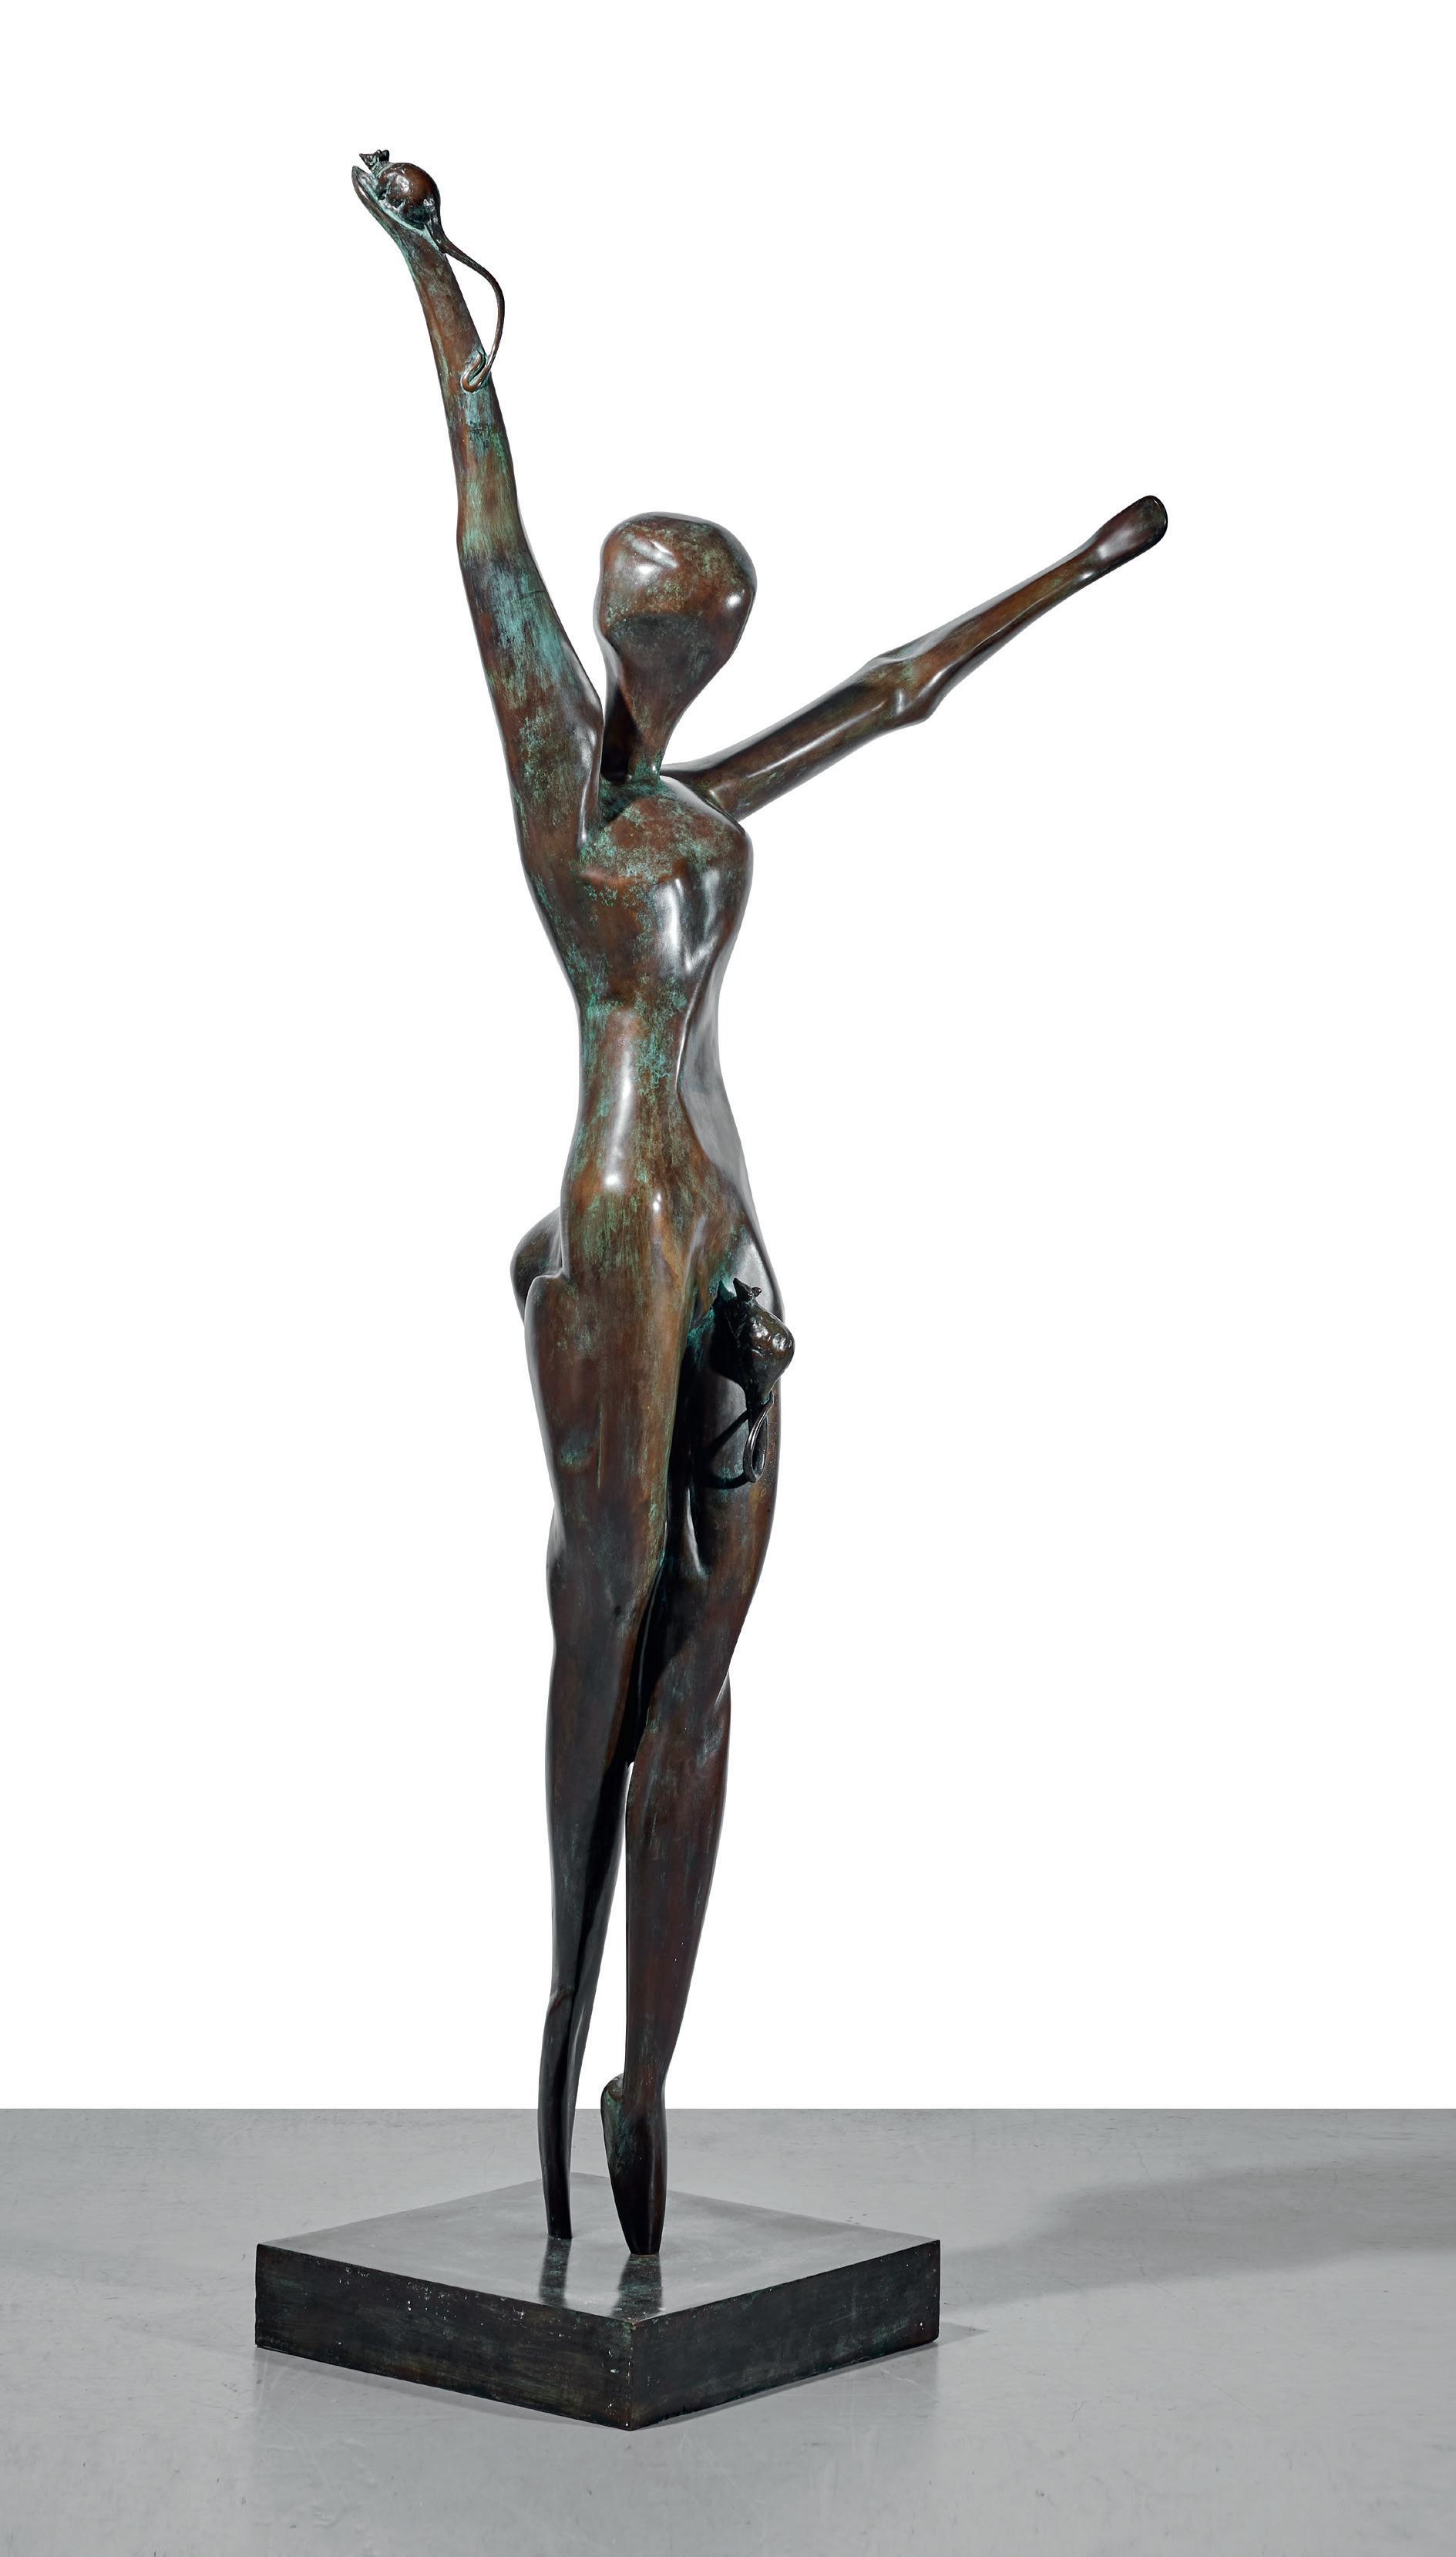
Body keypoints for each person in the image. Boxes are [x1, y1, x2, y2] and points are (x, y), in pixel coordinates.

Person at [354, 153, 1168, 2255]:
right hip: (616, 1220)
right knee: (612, 1607)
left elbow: (894, 696)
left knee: (706, 1656)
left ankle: (646, 2069)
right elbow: (483, 534)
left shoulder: (711, 801)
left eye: (695, 626)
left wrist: (1070, 574)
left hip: (722, 1224)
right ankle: (560, 2016)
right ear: (628, 629)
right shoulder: (565, 782)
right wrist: (437, 284)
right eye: (659, 621)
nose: (674, 648)